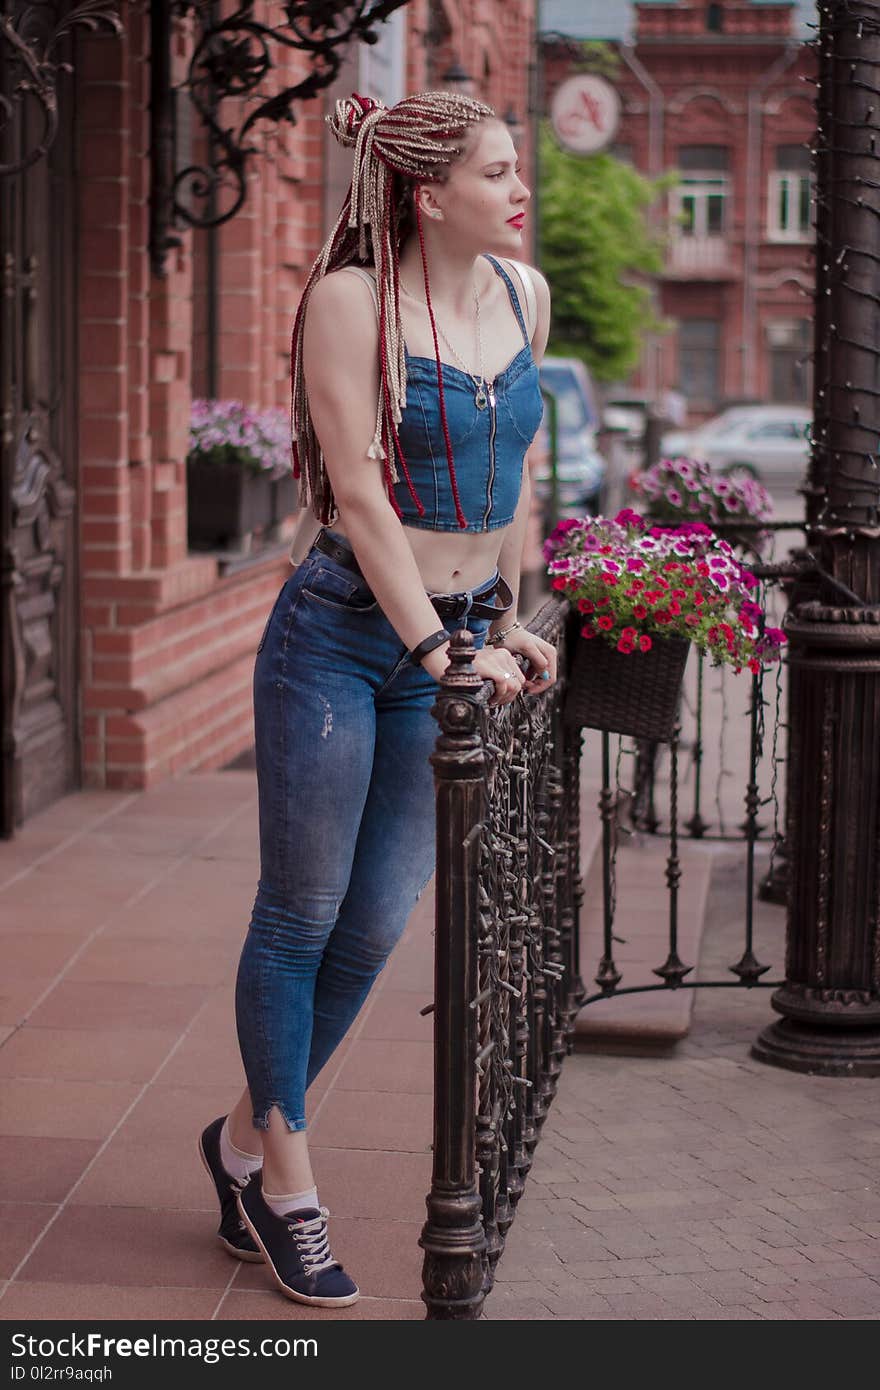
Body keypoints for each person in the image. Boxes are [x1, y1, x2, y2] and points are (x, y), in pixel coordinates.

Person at [198, 89, 557, 1309]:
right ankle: (288, 1185)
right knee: (300, 915)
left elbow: (514, 472)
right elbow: (355, 491)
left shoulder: (523, 296)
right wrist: (446, 655)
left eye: (518, 169)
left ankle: (238, 1143)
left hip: (450, 643)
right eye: (498, 171)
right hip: (345, 636)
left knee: (373, 928)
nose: (520, 190)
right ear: (424, 191)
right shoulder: (352, 302)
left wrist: (505, 615)